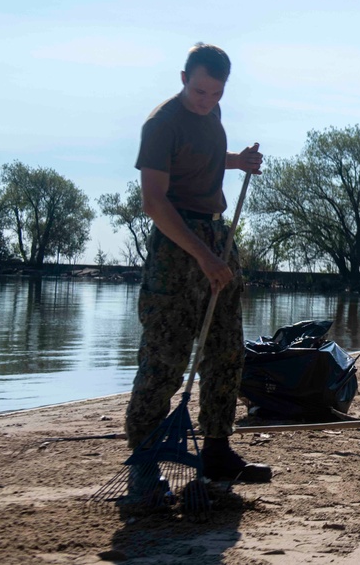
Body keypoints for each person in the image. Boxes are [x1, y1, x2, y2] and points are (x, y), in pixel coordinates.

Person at [124, 43, 271, 492]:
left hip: (216, 236)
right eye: (201, 90)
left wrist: (237, 162)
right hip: (176, 244)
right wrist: (202, 256)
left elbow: (202, 160)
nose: (207, 100)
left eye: (216, 93)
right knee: (165, 356)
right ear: (183, 77)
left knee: (226, 350)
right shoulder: (162, 123)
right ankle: (144, 460)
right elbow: (154, 202)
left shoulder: (213, 116)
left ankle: (217, 449)